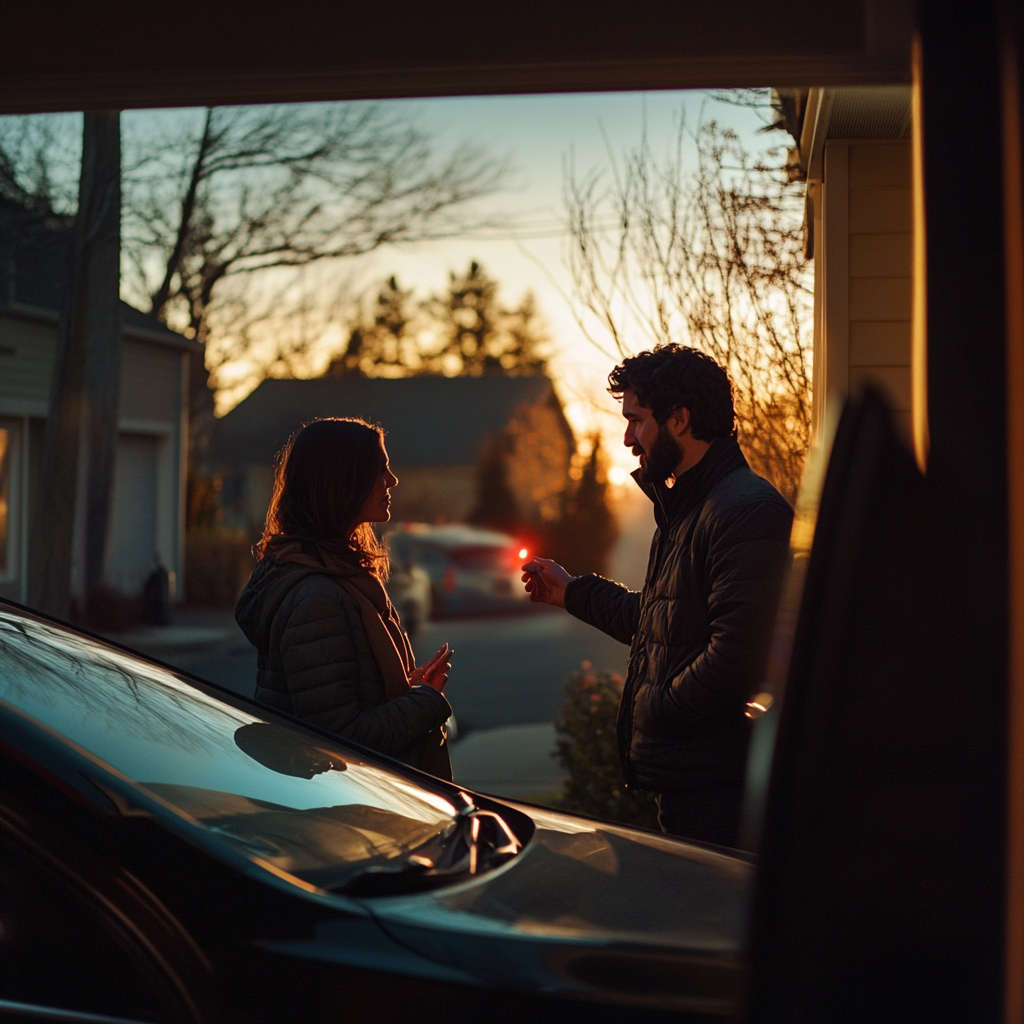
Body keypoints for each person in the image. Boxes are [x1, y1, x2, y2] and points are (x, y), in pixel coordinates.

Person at [523, 345, 793, 846]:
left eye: (637, 421)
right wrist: (572, 593)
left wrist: (659, 710)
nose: (627, 439)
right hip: (691, 785)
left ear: (681, 419)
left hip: (717, 792)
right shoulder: (691, 507)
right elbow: (665, 622)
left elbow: (738, 656)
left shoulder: (744, 511)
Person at [236, 417, 454, 780]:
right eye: (380, 468)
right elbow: (339, 738)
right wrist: (426, 703)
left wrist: (405, 689)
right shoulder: (317, 599)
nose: (392, 481)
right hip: (343, 812)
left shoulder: (338, 576)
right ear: (342, 481)